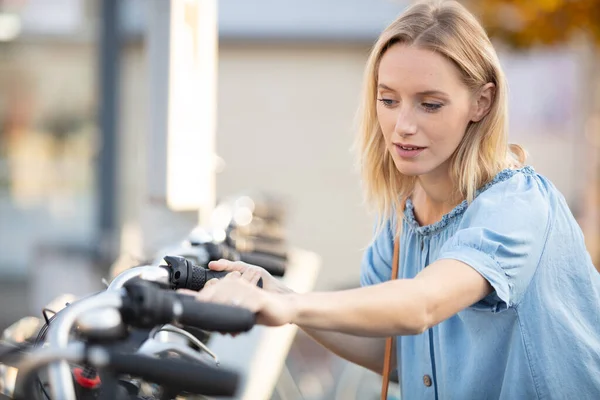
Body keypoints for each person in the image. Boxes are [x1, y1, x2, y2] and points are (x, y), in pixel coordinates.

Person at [183, 1, 600, 398]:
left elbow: (420, 305)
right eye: (388, 100)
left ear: (481, 102)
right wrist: (279, 295)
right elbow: (391, 350)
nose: (402, 125)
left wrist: (295, 306)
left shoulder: (518, 204)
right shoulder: (401, 220)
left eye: (430, 104)